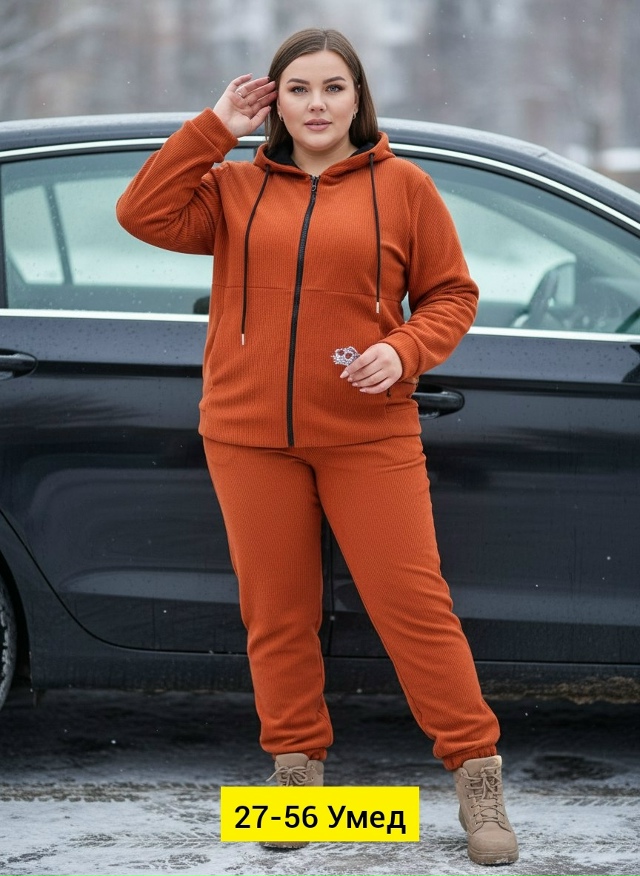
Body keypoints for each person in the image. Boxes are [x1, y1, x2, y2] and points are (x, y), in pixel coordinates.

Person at [117, 27, 518, 865]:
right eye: (298, 89)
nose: (317, 104)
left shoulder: (405, 187)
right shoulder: (231, 189)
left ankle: (477, 780)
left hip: (369, 435)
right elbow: (141, 212)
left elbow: (452, 294)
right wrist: (213, 128)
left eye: (334, 87)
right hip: (247, 435)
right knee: (277, 612)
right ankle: (296, 780)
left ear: (358, 97)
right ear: (275, 101)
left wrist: (404, 349)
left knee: (415, 609)